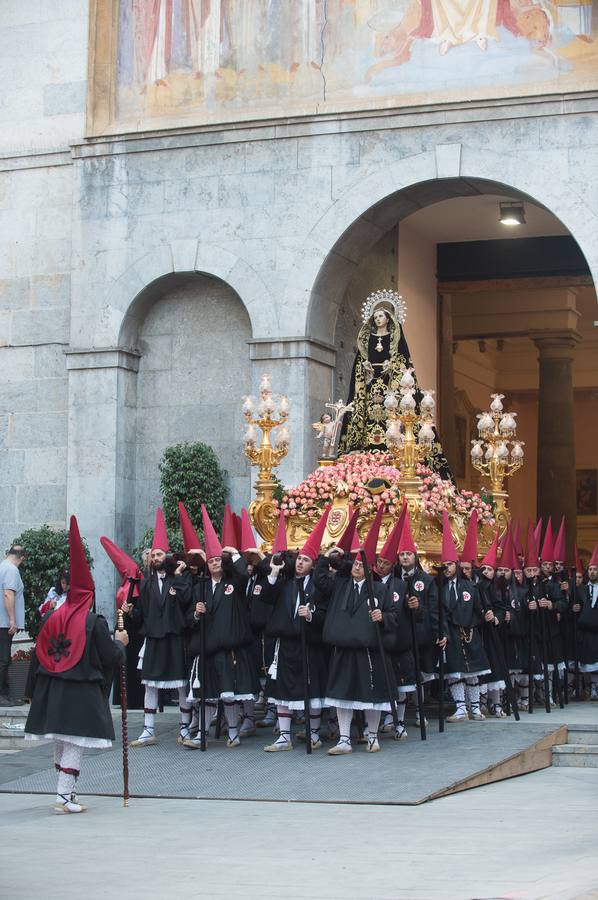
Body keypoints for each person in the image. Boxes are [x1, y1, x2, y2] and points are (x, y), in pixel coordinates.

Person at [24, 516, 128, 814]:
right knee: (73, 742)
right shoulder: (93, 621)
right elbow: (111, 657)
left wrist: (31, 690)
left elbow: (36, 655)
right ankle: (65, 795)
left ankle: (65, 791)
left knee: (61, 738)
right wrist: (122, 642)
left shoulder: (49, 618)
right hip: (79, 691)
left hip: (50, 688)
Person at [337, 289, 451, 478]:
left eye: (381, 316)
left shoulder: (395, 339)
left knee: (393, 414)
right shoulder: (367, 340)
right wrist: (364, 367)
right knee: (368, 414)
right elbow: (358, 364)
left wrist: (393, 366)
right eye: (375, 317)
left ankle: (395, 447)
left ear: (388, 318)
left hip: (391, 388)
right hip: (371, 386)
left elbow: (405, 363)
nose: (378, 319)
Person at [314, 513, 398, 756]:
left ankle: (372, 737)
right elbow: (320, 578)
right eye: (355, 565)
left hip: (369, 651)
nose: (357, 568)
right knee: (342, 696)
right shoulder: (339, 585)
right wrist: (329, 557)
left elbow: (394, 616)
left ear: (369, 568)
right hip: (342, 648)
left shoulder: (381, 589)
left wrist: (383, 617)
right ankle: (343, 739)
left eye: (362, 565)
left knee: (371, 697)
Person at [183, 505, 258, 750]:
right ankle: (201, 734)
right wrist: (196, 613)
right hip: (206, 648)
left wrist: (234, 553)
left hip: (228, 649)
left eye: (218, 560)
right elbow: (187, 617)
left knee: (228, 694)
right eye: (211, 560)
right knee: (206, 695)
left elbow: (244, 575)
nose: (215, 564)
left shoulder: (233, 583)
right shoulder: (200, 588)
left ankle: (234, 732)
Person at [260, 508, 331, 752]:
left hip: (308, 644)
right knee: (282, 689)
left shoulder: (319, 589)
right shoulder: (285, 583)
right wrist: (273, 573)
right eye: (299, 558)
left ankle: (313, 734)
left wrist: (311, 615)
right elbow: (266, 599)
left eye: (306, 560)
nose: (300, 563)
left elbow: (325, 614)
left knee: (310, 689)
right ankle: (284, 736)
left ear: (313, 565)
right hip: (285, 644)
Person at [122, 508, 193, 747]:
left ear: (167, 555)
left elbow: (186, 602)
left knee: (181, 683)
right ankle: (148, 729)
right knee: (150, 683)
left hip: (173, 637)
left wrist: (182, 577)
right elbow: (142, 613)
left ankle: (185, 728)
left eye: (159, 554)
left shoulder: (179, 578)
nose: (155, 558)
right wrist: (132, 611)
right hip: (153, 637)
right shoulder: (147, 583)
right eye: (153, 555)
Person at [440, 513, 492, 722]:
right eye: (444, 565)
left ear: (457, 565)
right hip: (451, 634)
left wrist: (486, 616)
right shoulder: (439, 588)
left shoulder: (470, 586)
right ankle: (461, 708)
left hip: (470, 632)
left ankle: (475, 708)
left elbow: (480, 608)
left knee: (474, 672)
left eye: (450, 565)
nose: (447, 569)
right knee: (455, 672)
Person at [0, 545, 26, 706]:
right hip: (3, 623)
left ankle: (6, 695)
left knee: (3, 659)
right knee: (3, 660)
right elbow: (8, 593)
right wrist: (12, 620)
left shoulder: (2, 566)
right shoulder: (11, 570)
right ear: (21, 558)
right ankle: (2, 696)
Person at [578, 544, 598, 700]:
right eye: (590, 569)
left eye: (595, 569)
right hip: (586, 631)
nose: (592, 572)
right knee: (590, 661)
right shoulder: (582, 589)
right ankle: (592, 688)